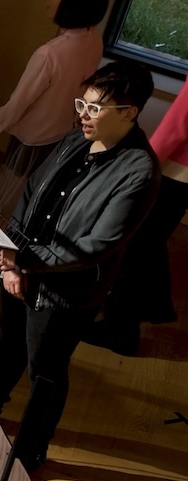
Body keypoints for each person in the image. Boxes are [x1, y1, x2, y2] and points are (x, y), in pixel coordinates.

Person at [0, 63, 160, 473]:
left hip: (66, 291)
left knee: (46, 369)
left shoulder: (139, 171)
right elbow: (32, 194)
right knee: (9, 343)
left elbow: (96, 246)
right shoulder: (75, 140)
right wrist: (10, 255)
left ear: (129, 112)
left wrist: (24, 262)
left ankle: (31, 448)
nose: (82, 115)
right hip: (24, 266)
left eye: (95, 108)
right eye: (81, 105)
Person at [0, 0, 107, 224]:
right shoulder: (93, 38)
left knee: (12, 191)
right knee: (31, 190)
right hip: (63, 132)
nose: (48, 1)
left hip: (35, 135)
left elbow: (19, 102)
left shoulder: (50, 54)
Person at [85, 81, 188, 355]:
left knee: (135, 247)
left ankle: (120, 331)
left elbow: (178, 125)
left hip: (173, 173)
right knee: (146, 246)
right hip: (181, 178)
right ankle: (129, 322)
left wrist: (143, 164)